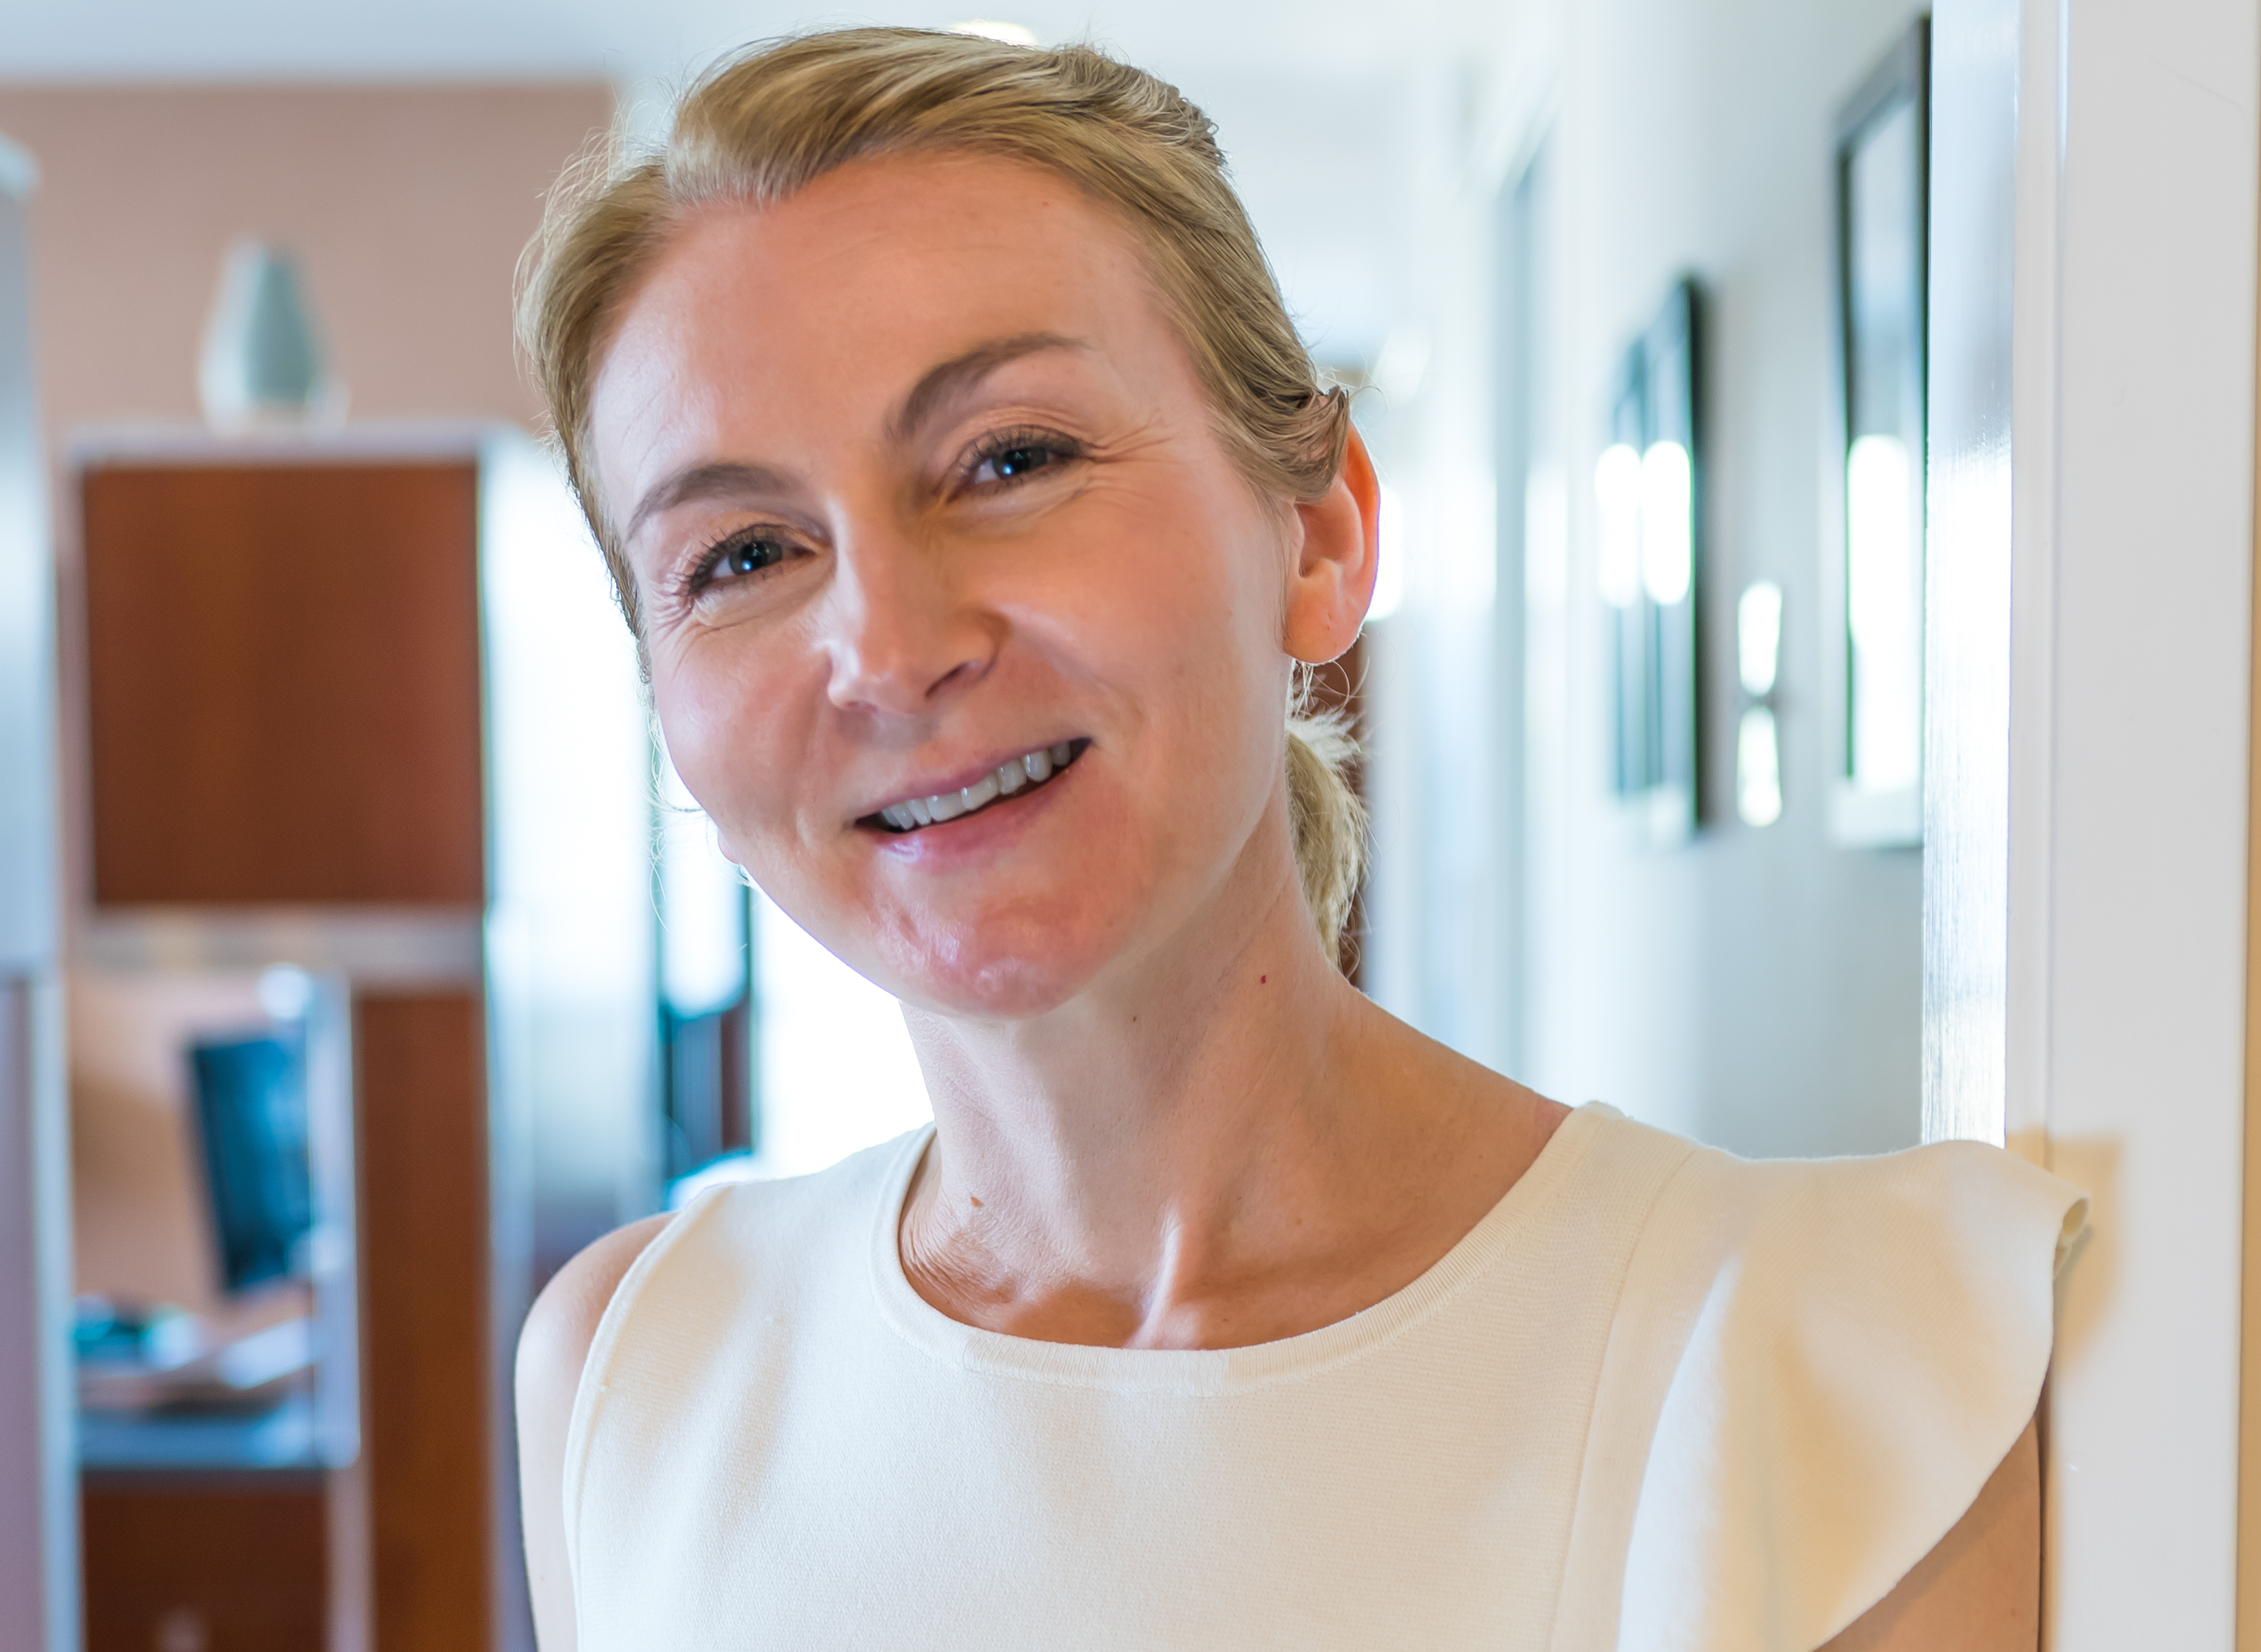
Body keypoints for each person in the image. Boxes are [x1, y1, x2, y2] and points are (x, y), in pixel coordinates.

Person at [511, 28, 2084, 1650]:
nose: (890, 649)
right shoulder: (633, 1371)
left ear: (1321, 536)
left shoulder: (1824, 1385)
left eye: (1009, 460)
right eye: (745, 553)